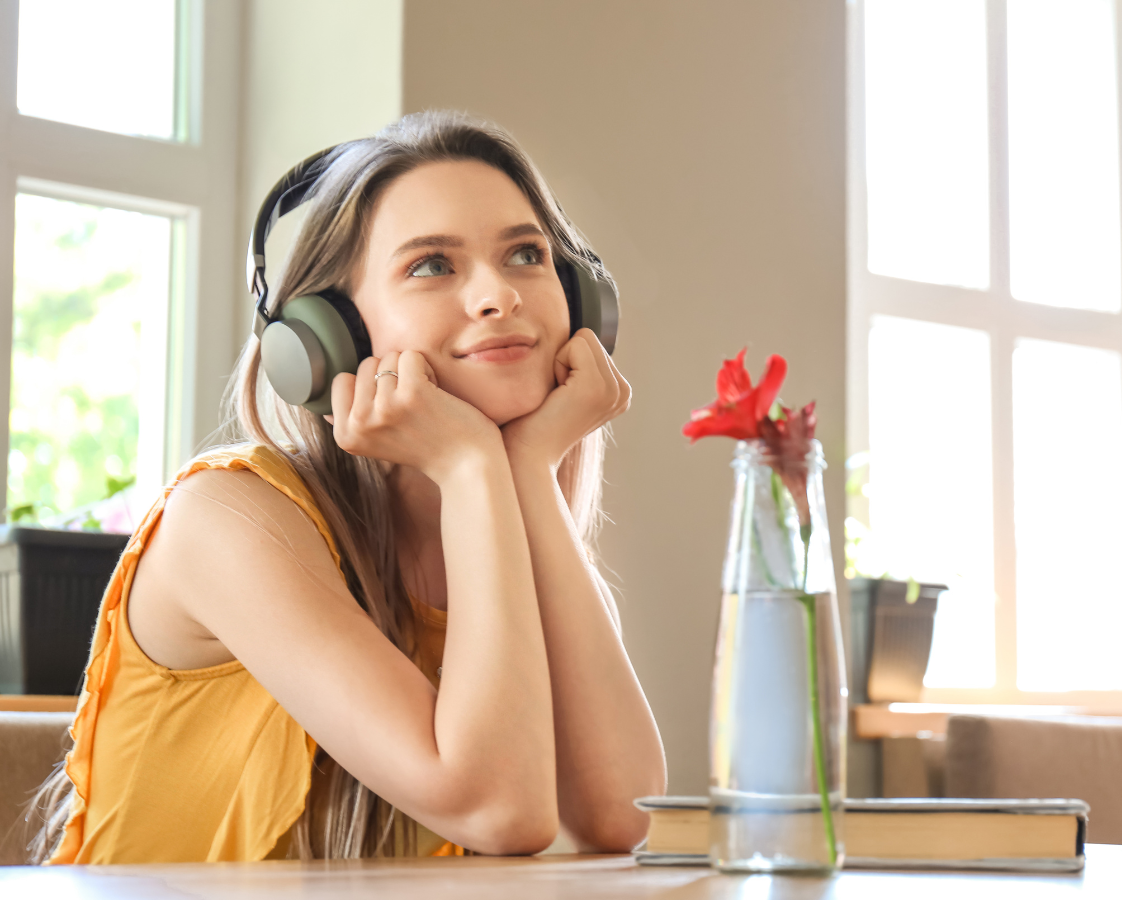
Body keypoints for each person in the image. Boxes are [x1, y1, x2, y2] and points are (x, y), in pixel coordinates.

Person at [25, 110, 667, 863]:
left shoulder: (510, 536)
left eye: (526, 254)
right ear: (330, 339)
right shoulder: (226, 519)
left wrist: (522, 471)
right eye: (433, 265)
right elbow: (501, 811)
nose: (499, 296)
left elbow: (618, 817)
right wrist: (469, 465)